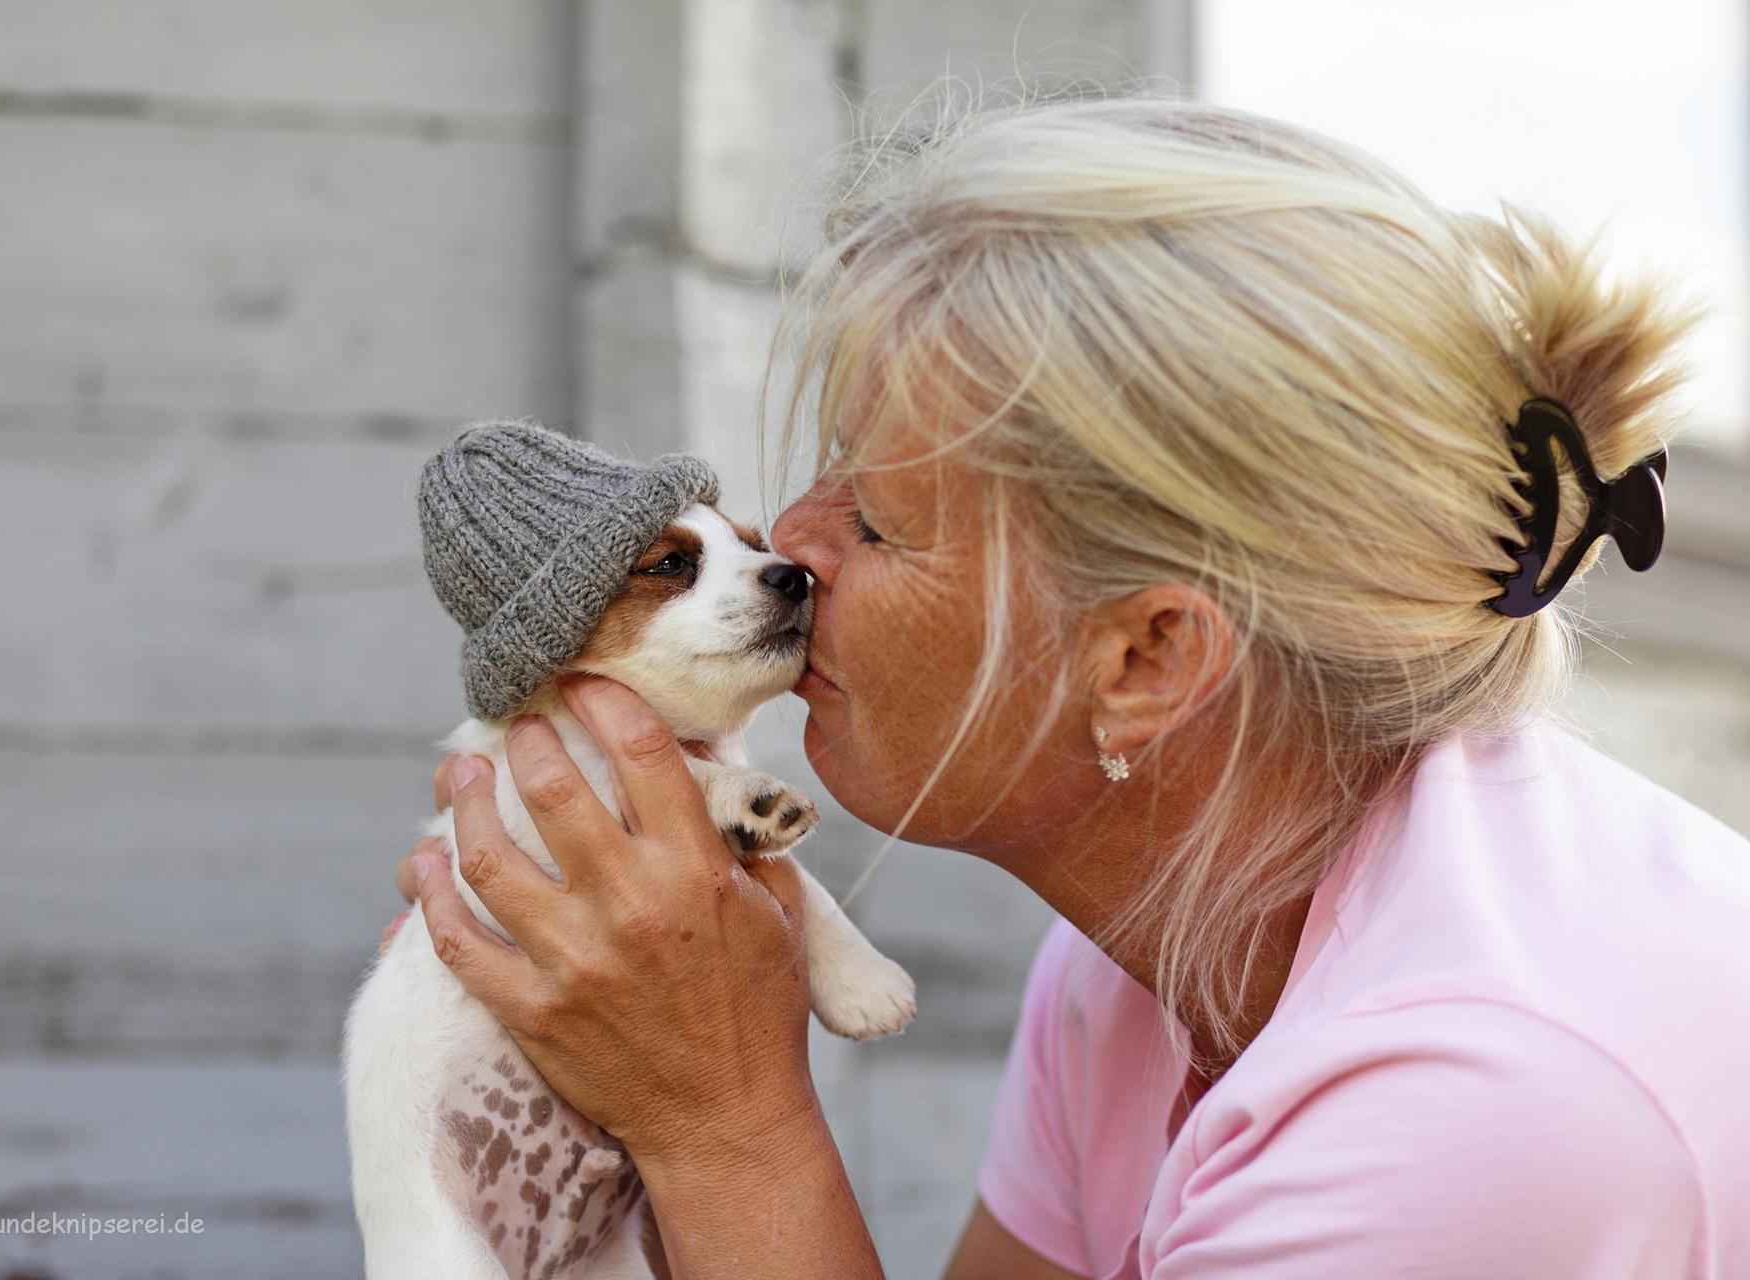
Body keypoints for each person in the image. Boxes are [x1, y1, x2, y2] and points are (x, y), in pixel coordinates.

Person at [384, 91, 1750, 1277]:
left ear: (1148, 660)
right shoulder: (1155, 967)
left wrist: (721, 1123)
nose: (791, 543)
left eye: (874, 520)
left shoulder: (1481, 1111)